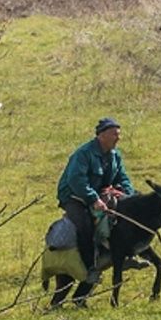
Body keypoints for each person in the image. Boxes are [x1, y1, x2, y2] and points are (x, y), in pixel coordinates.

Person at [57, 117, 135, 284]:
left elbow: (123, 178)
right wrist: (93, 199)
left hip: (100, 195)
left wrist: (127, 196)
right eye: (114, 134)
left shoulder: (115, 156)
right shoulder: (83, 154)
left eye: (119, 134)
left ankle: (125, 257)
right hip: (74, 197)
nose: (118, 138)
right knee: (85, 226)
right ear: (101, 135)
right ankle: (90, 268)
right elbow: (76, 180)